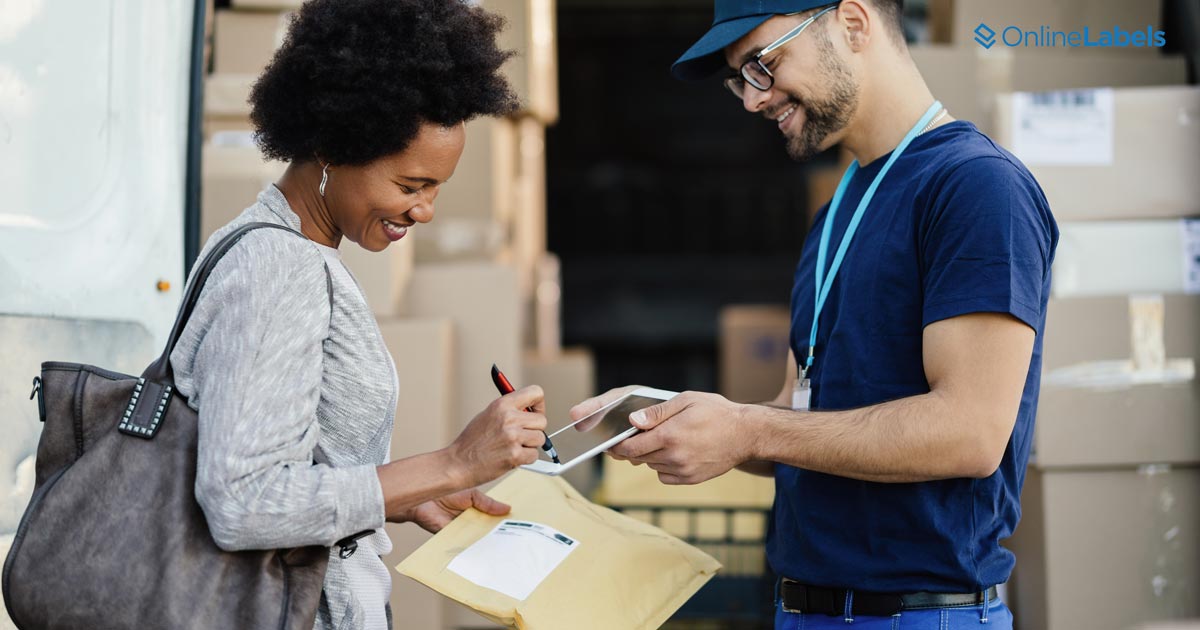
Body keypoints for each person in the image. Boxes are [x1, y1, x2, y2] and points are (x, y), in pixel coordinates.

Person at [570, 0, 1058, 627]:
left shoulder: (976, 187)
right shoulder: (837, 212)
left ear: (852, 23)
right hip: (803, 607)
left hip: (918, 615)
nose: (752, 100)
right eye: (739, 78)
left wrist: (748, 428)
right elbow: (802, 418)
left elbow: (969, 433)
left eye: (763, 65)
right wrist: (669, 415)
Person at [169, 1, 549, 628]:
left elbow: (294, 466)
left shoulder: (262, 242)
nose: (424, 210)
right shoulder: (279, 268)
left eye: (436, 189)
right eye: (409, 186)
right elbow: (242, 501)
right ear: (333, 146)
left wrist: (403, 495)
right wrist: (450, 463)